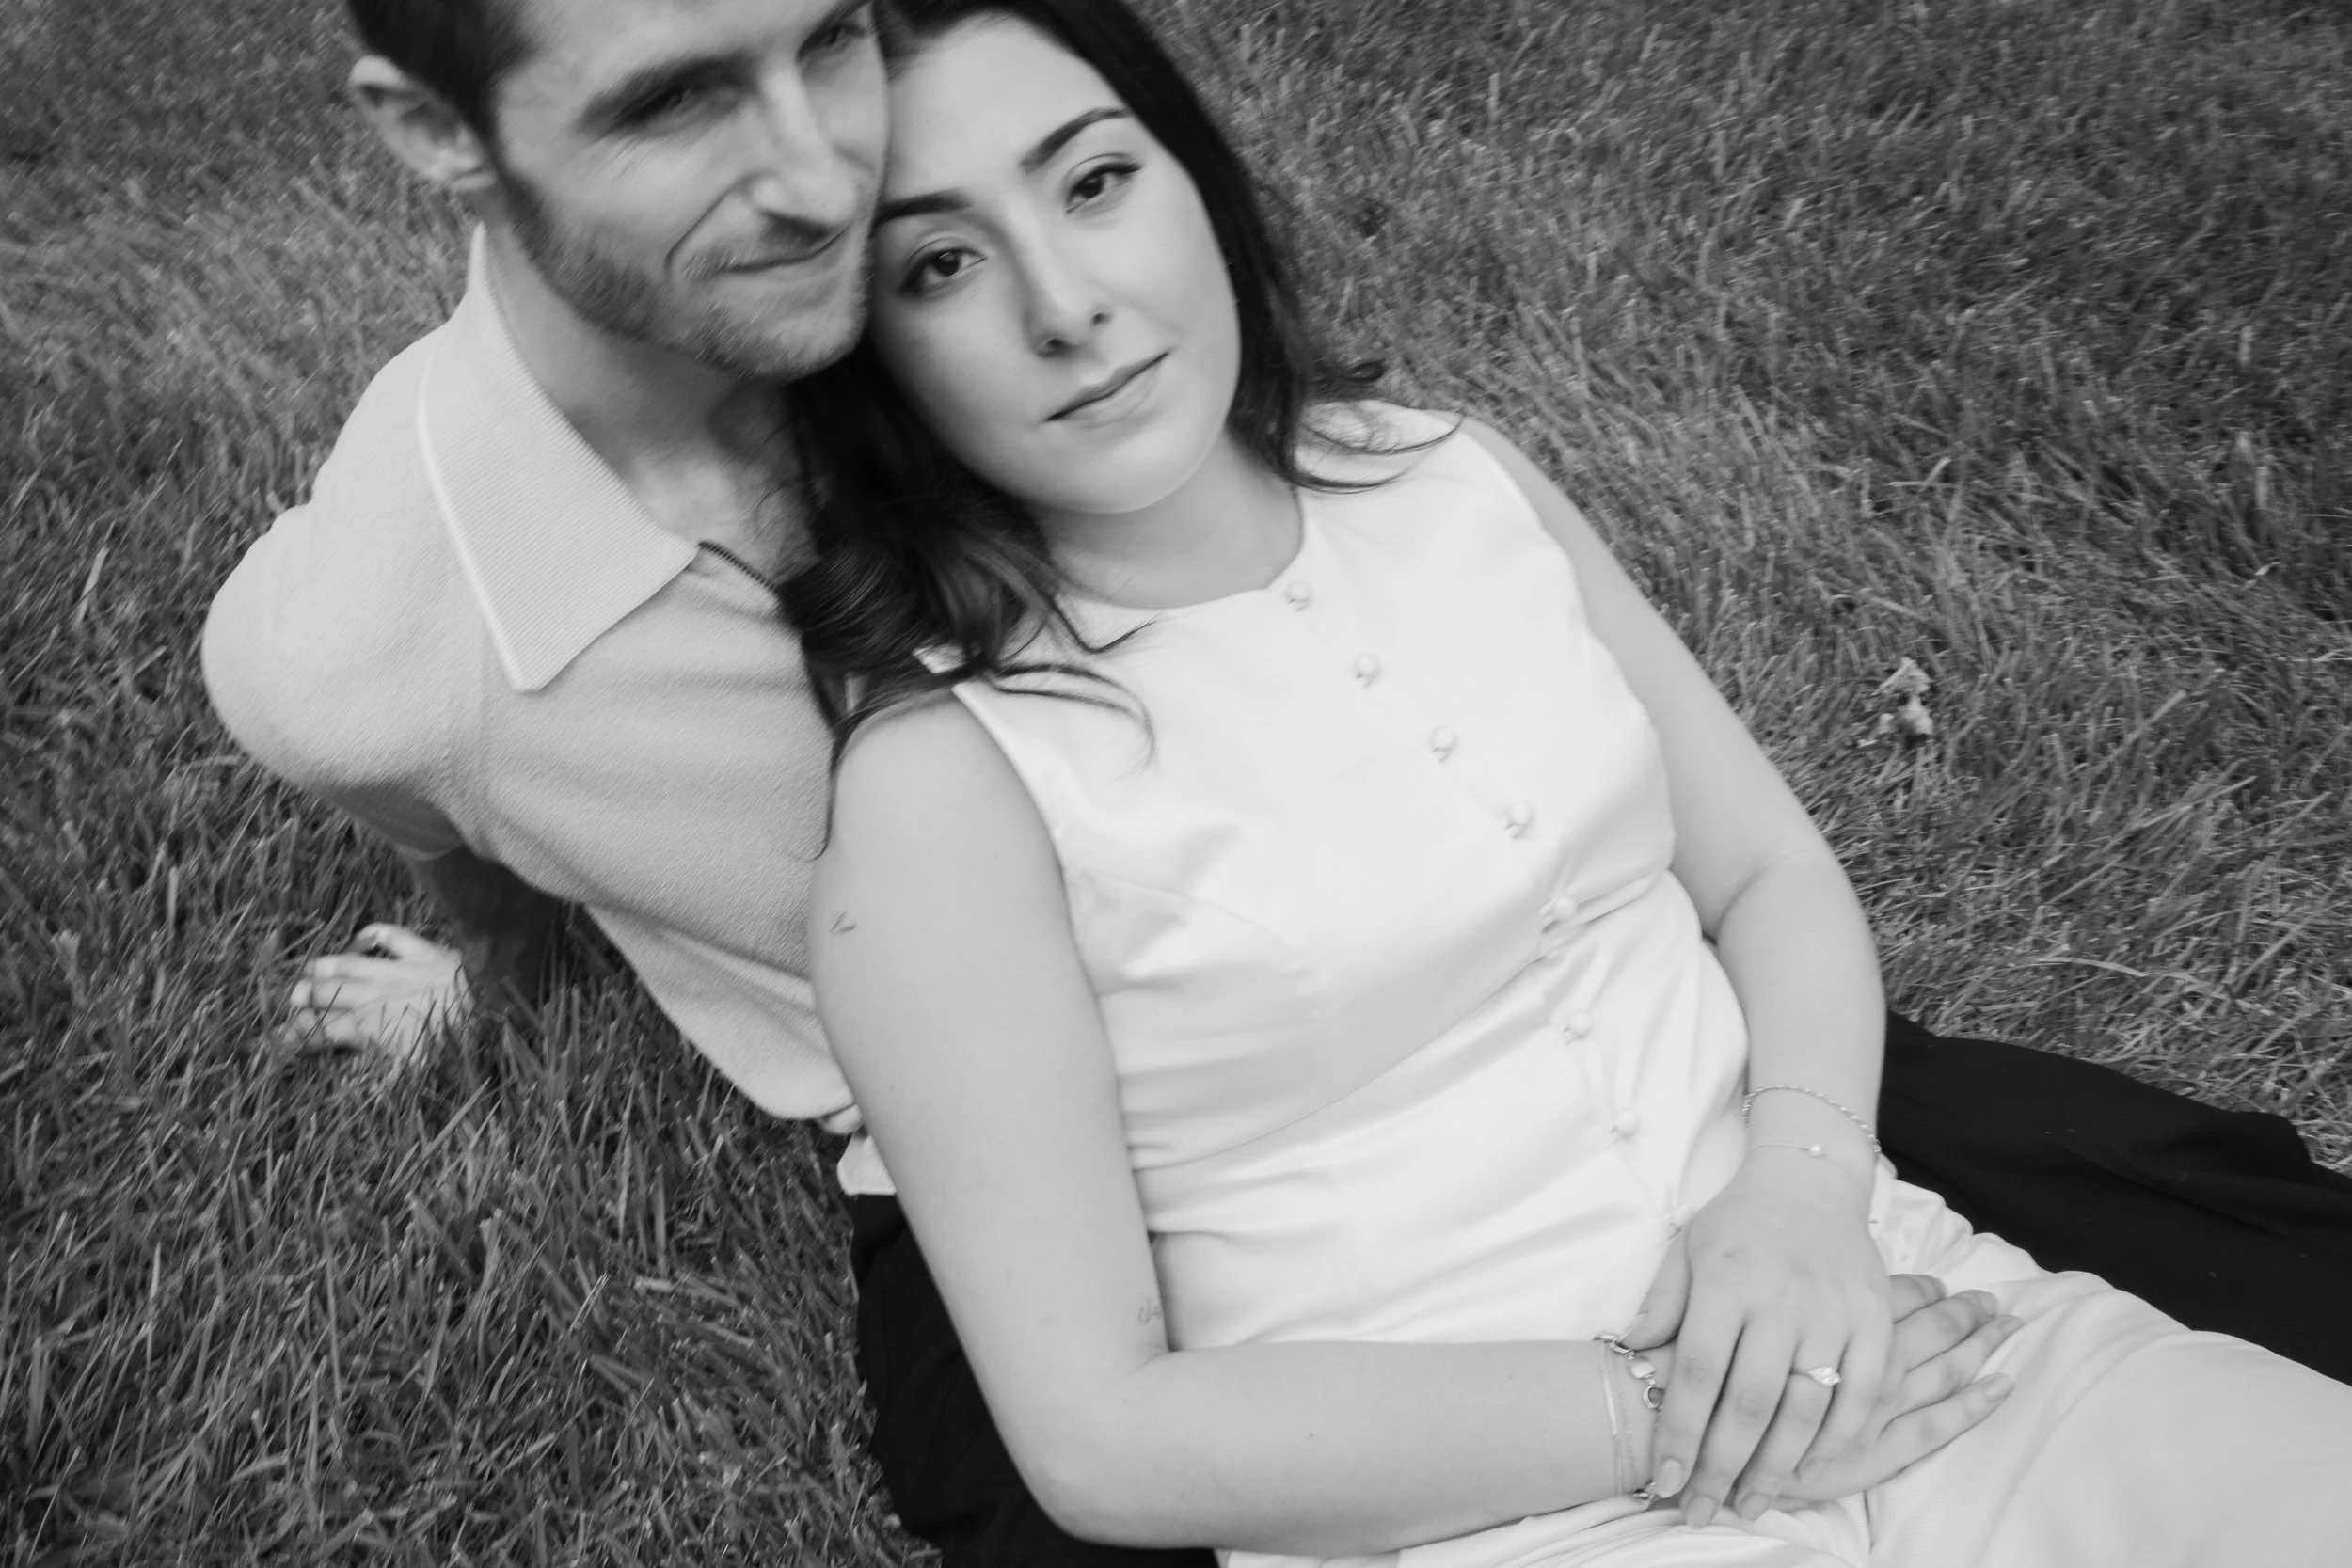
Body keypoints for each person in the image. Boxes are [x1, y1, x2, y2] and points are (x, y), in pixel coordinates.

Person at [200, 0, 2352, 1563]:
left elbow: (1755, 876)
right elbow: (1105, 1423)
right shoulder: (426, 651)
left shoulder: (1427, 479)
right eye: (678, 97)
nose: (809, 169)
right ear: (433, 132)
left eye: (827, 40)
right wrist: (486, 938)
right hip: (1194, 1252)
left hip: (1718, 1181)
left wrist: (1795, 1193)